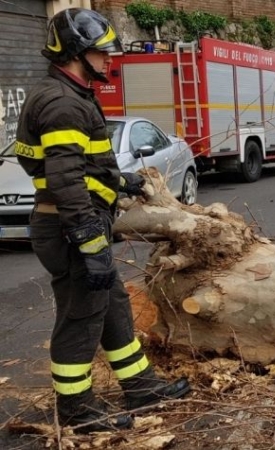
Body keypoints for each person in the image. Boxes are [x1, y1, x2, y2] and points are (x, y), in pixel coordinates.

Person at [14, 8, 190, 433]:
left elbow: (77, 165)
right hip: (70, 228)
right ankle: (76, 410)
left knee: (111, 306)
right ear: (77, 52)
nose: (110, 60)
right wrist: (91, 242)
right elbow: (64, 179)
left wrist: (119, 179)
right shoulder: (62, 103)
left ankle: (142, 387)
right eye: (102, 52)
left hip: (72, 224)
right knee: (80, 316)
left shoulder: (70, 95)